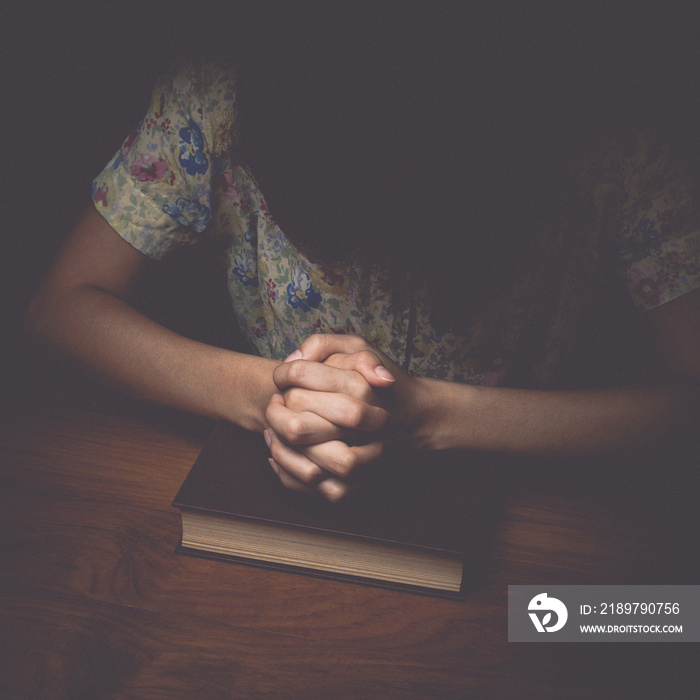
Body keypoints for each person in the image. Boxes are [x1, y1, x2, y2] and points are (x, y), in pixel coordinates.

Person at [25, 6, 700, 501]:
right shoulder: (215, 98)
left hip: (536, 507)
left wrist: (432, 414)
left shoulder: (613, 143)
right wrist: (272, 394)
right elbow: (62, 308)